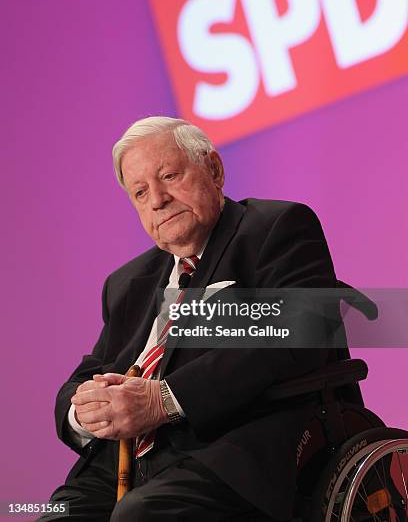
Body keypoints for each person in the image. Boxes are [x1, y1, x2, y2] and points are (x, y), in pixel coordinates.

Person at [42, 116, 340, 522]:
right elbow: (94, 368)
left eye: (168, 175)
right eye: (140, 192)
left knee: (141, 514)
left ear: (213, 170)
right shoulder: (127, 282)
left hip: (234, 446)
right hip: (128, 462)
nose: (157, 200)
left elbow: (300, 333)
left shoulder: (274, 228)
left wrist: (162, 401)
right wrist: (83, 411)